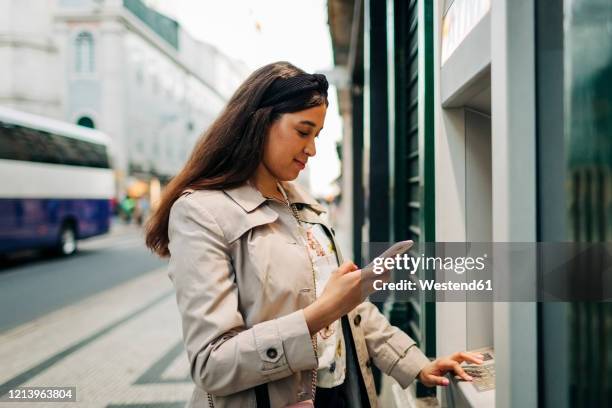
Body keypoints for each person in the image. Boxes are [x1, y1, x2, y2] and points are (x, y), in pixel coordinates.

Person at [145, 62, 482, 408]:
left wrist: (419, 365)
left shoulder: (306, 207)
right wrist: (321, 312)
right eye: (302, 131)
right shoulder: (201, 212)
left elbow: (351, 314)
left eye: (317, 135)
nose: (312, 149)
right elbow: (211, 364)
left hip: (341, 394)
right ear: (259, 122)